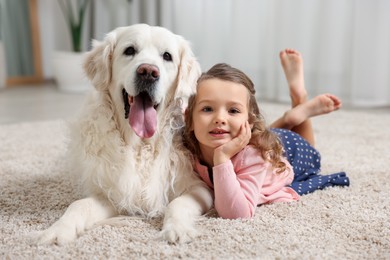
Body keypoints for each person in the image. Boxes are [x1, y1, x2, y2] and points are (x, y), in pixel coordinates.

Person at [182, 49, 349, 219]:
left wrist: (222, 158)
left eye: (233, 110)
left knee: (310, 149)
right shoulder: (185, 147)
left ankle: (299, 98)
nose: (220, 118)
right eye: (207, 109)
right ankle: (289, 118)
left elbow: (236, 214)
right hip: (265, 137)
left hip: (292, 152)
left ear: (250, 121)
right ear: (188, 118)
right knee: (268, 136)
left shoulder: (254, 157)